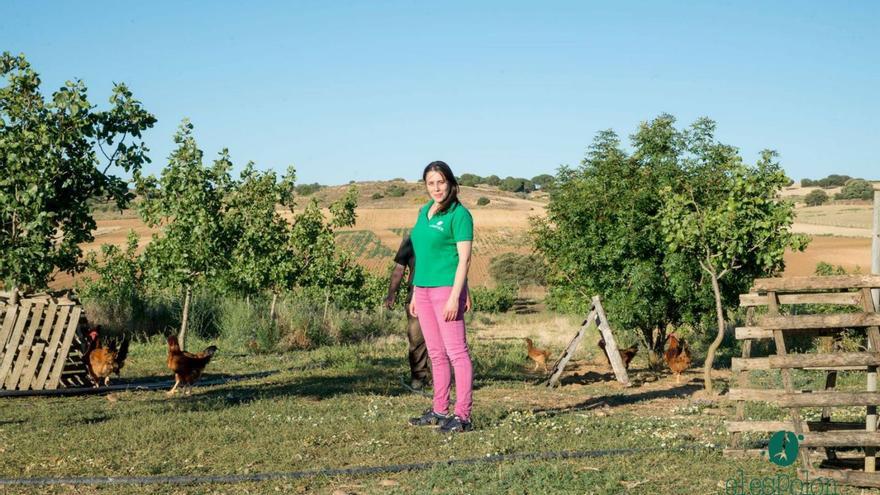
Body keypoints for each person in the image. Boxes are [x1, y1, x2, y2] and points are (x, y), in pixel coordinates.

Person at [407, 160, 475, 433]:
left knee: (457, 353)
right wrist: (415, 292)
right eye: (431, 183)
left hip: (446, 290)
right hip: (422, 290)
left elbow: (464, 260)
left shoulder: (460, 215)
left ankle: (463, 416)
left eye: (441, 182)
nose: (436, 188)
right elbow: (422, 255)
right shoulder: (424, 211)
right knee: (435, 354)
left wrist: (456, 296)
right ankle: (439, 410)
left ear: (450, 183)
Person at [385, 235, 432, 390]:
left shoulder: (444, 236)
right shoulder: (411, 240)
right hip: (415, 298)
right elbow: (399, 269)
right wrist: (392, 293)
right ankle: (419, 377)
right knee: (417, 339)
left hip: (441, 295)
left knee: (439, 341)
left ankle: (439, 377)